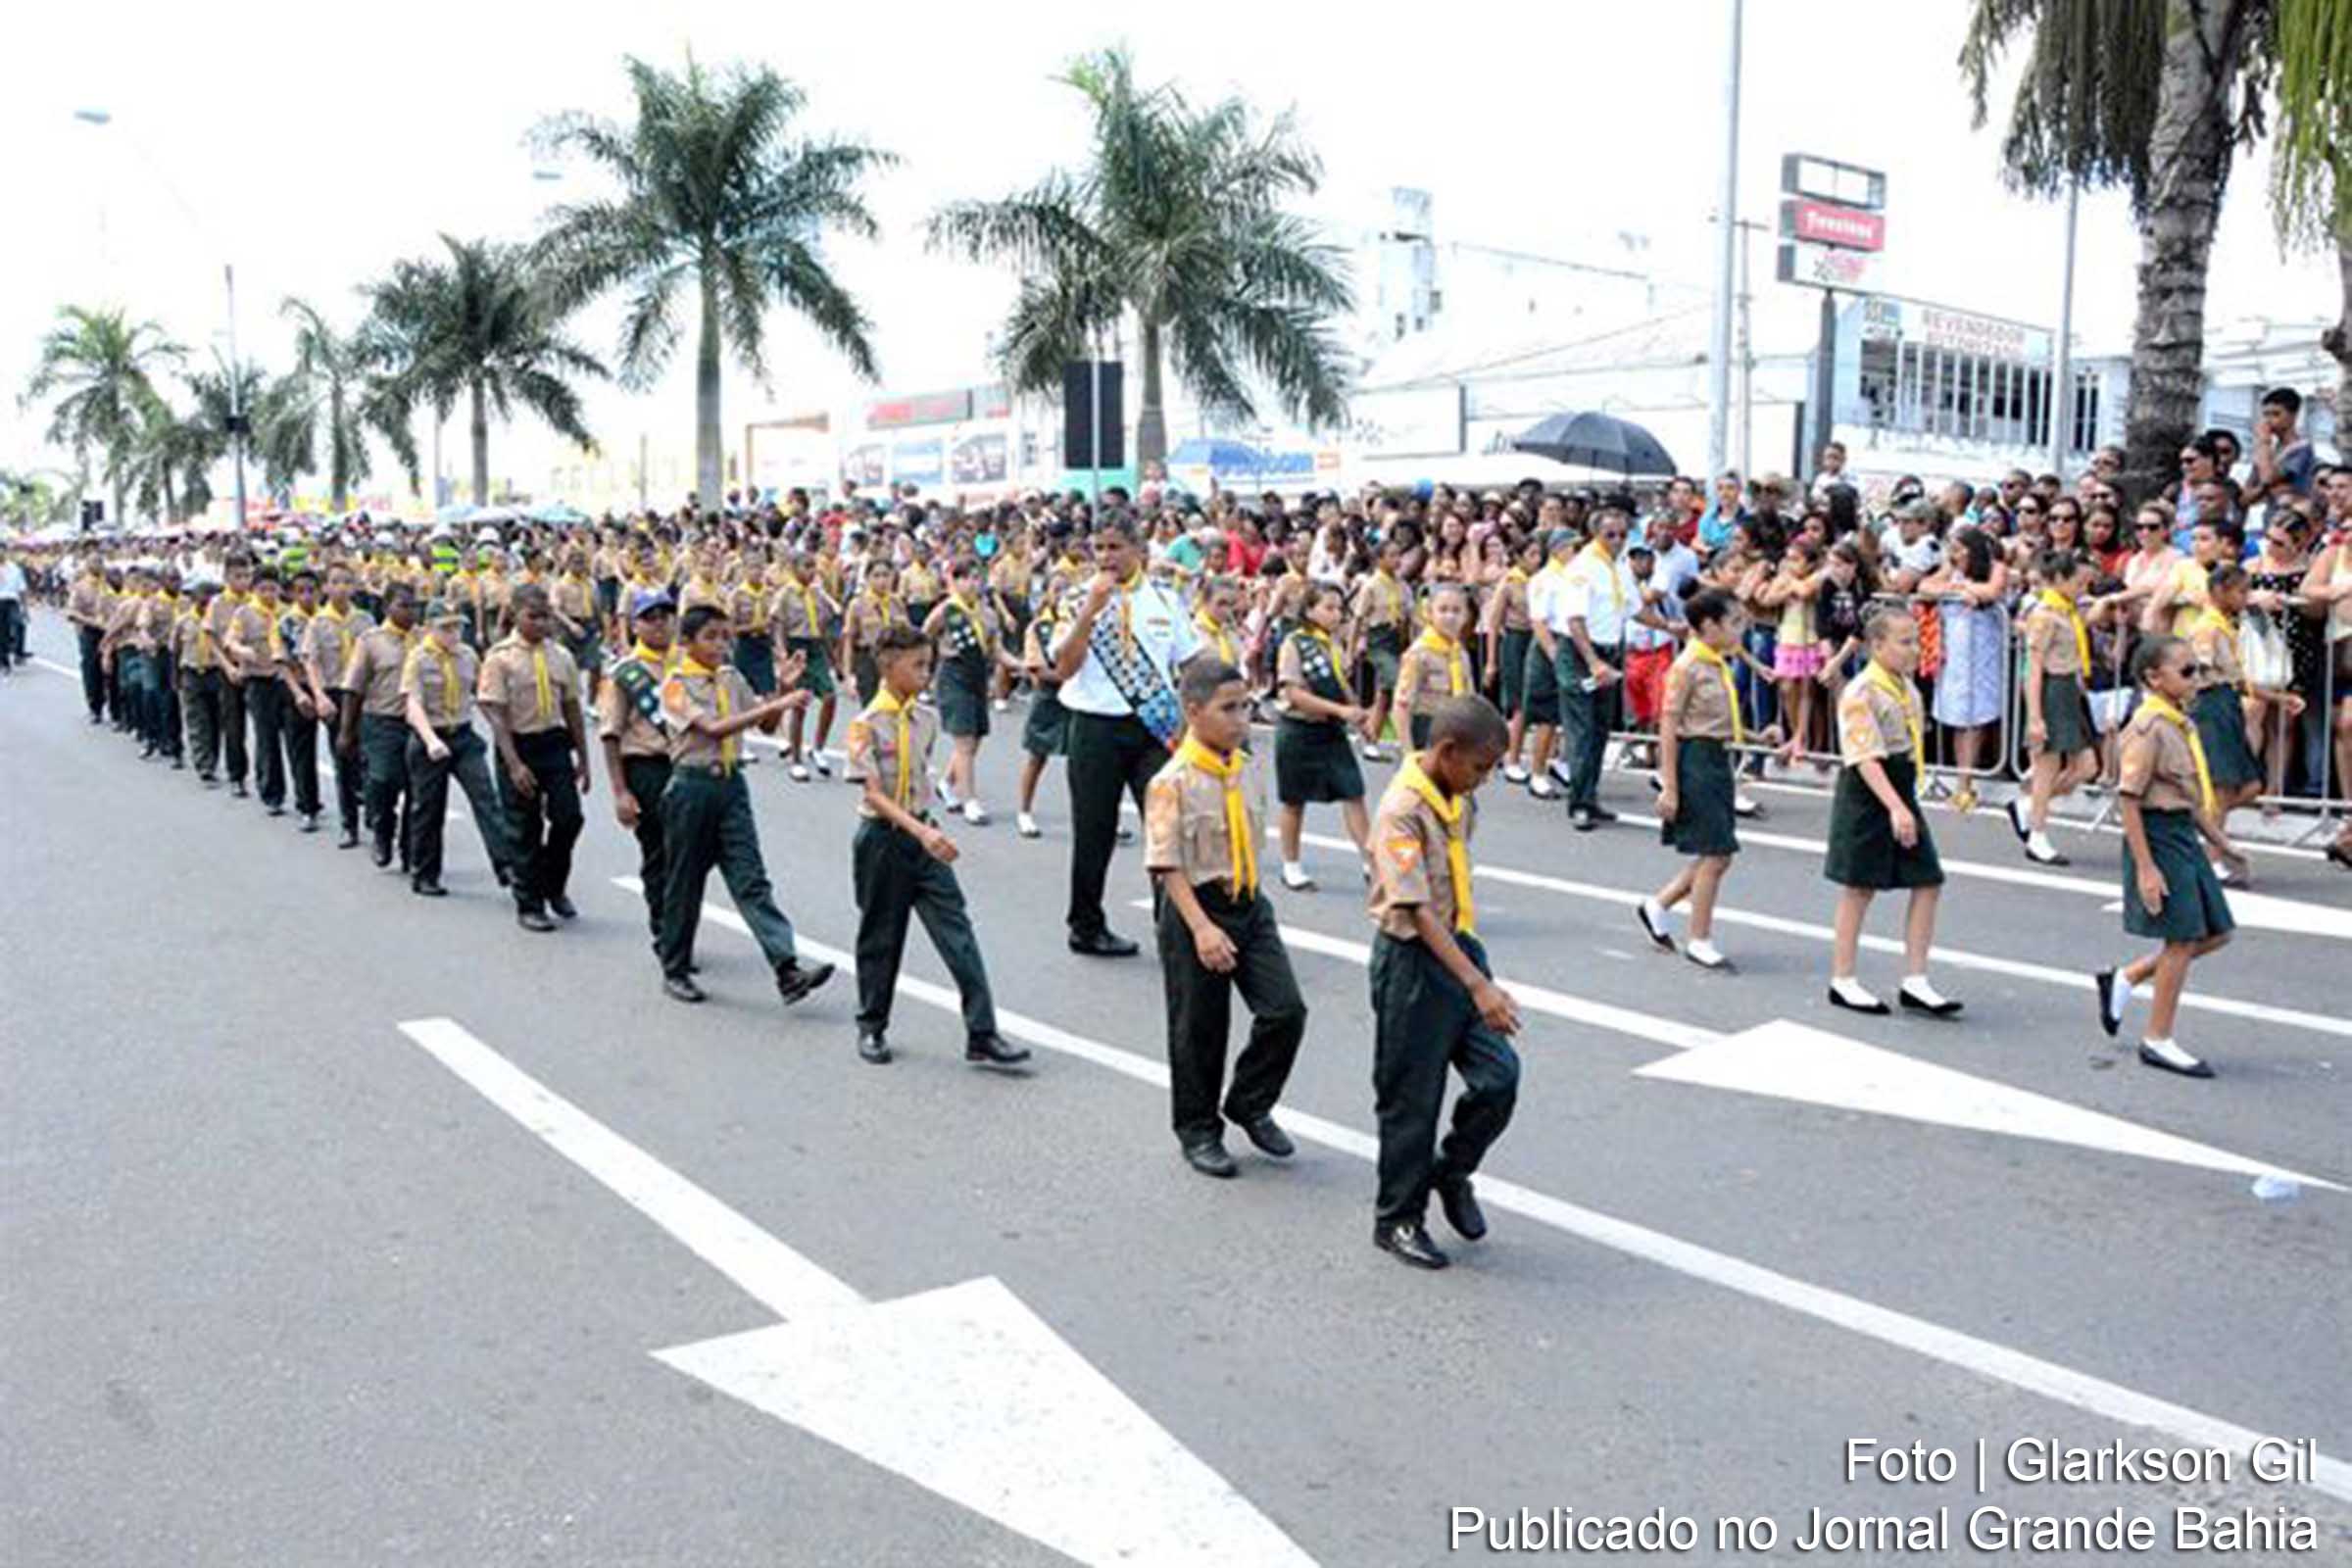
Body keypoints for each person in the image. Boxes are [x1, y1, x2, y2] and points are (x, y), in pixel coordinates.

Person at [1365, 695, 1520, 1270]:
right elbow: (1418, 909)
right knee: (1412, 1099)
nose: (1484, 780)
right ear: (1447, 750)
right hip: (1413, 961)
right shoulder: (1402, 810)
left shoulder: (1454, 798)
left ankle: (1451, 1172)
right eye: (1480, 767)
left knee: (1499, 1077)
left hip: (1458, 946)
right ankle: (1397, 1218)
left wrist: (1474, 970)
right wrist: (1479, 985)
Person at [1147, 658, 1305, 1178]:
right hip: (1198, 907)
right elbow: (1166, 864)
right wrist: (1201, 928)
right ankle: (1198, 1130)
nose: (1241, 719)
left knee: (1285, 1010)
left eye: (1245, 707)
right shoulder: (1173, 780)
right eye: (1229, 708)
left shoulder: (1245, 765)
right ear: (1193, 712)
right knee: (1199, 1029)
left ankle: (1249, 1101)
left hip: (1248, 903)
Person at [844, 623, 1027, 1068]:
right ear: (888, 668)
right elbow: (872, 794)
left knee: (958, 933)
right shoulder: (865, 725)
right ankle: (872, 1026)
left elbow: (920, 778)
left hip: (922, 839)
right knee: (882, 938)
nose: (927, 673)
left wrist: (929, 828)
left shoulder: (924, 720)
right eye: (918, 665)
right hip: (884, 840)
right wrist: (921, 831)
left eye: (930, 664)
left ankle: (982, 1033)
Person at [656, 604, 835, 1008]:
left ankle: (787, 968)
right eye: (710, 637)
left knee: (751, 878)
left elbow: (765, 727)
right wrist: (772, 706)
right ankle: (675, 967)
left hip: (731, 785)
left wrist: (783, 691)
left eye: (724, 636)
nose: (721, 644)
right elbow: (713, 728)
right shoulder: (676, 684)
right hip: (692, 786)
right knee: (685, 881)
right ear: (687, 642)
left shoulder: (730, 678)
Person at [1050, 519, 1200, 956]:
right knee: (1094, 831)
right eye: (1098, 547)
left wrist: (1193, 724)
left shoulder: (1165, 601)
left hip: (1151, 729)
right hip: (1094, 726)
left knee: (1165, 827)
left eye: (1115, 546)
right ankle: (1085, 924)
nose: (1106, 556)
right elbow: (1064, 667)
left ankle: (1171, 923)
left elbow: (1189, 664)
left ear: (1138, 549)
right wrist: (1088, 613)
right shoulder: (1078, 598)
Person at [2097, 636, 2237, 1078]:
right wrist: (2145, 868)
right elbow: (2130, 800)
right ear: (2153, 679)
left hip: (2182, 834)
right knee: (2180, 939)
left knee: (2216, 932)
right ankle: (2157, 1037)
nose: (2196, 678)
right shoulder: (2148, 728)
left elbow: (2189, 797)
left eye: (2197, 669)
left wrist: (2221, 841)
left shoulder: (2178, 722)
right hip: (2157, 836)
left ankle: (2128, 977)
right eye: (2187, 671)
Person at [1824, 610, 1962, 1017]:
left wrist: (1905, 801)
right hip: (1869, 795)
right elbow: (1865, 758)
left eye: (1915, 640)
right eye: (1904, 641)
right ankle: (1843, 978)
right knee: (1859, 886)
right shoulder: (1861, 692)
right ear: (1876, 645)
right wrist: (1896, 807)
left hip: (1899, 788)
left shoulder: (1906, 687)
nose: (1913, 649)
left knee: (1927, 878)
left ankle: (1915, 979)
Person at [1640, 589, 1753, 970]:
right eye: (1734, 622)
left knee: (1714, 852)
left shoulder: (1716, 662)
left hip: (1717, 758)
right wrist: (1669, 784)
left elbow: (1719, 718)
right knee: (1717, 853)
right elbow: (1670, 726)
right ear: (1708, 626)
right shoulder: (1687, 667)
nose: (1741, 629)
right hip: (1696, 760)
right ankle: (1699, 937)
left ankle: (1660, 903)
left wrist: (1757, 737)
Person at [478, 583, 591, 933]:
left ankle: (554, 886)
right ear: (514, 614)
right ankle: (529, 903)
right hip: (518, 745)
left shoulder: (561, 656)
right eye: (533, 616)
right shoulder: (500, 658)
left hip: (554, 745)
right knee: (523, 827)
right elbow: (496, 715)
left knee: (568, 818)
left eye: (546, 617)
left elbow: (572, 707)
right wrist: (513, 764)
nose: (541, 624)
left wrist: (583, 758)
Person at [400, 599, 519, 900]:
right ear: (429, 628)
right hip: (432, 738)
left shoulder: (467, 656)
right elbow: (412, 705)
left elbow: (482, 694)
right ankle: (425, 873)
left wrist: (500, 726)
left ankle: (507, 866)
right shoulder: (418, 658)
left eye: (458, 627)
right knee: (428, 809)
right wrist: (431, 741)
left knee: (486, 799)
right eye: (446, 628)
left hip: (463, 737)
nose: (454, 634)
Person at [1272, 582, 1372, 891]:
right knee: (1294, 800)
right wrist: (1340, 711)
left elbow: (1341, 685)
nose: (1336, 614)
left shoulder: (1333, 643)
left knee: (1353, 792)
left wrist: (1355, 712)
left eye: (1339, 608)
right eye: (1328, 607)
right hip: (1299, 729)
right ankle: (1291, 864)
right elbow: (1294, 693)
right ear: (1309, 610)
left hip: (1330, 730)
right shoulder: (1295, 643)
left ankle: (1371, 860)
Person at [599, 588, 681, 955]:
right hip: (648, 767)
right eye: (651, 617)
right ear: (634, 625)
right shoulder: (624, 674)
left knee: (688, 857)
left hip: (686, 766)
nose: (660, 623)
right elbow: (611, 735)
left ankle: (680, 930)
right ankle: (666, 934)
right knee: (659, 855)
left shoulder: (688, 664)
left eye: (665, 615)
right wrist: (620, 792)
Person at [2010, 549, 2102, 866]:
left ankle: (2029, 806)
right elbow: (2032, 668)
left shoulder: (2069, 612)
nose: (2082, 589)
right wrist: (2035, 716)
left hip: (2069, 690)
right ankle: (2037, 834)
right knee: (2047, 765)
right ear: (2060, 580)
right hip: (2050, 689)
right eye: (2078, 583)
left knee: (2087, 766)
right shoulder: (2044, 614)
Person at [1549, 507, 1635, 830]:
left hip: (1609, 651)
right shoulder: (1582, 567)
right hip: (1581, 653)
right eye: (1609, 534)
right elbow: (1574, 620)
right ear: (1594, 534)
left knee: (1600, 729)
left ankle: (1591, 794)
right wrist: (1593, 662)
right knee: (1581, 730)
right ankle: (1579, 804)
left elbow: (1633, 607)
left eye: (1622, 535)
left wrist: (1671, 626)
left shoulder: (1619, 566)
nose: (1617, 541)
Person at [923, 556, 1019, 824]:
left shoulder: (987, 613)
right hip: (953, 674)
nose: (973, 583)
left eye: (978, 578)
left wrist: (1021, 665)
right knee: (964, 741)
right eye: (967, 578)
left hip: (978, 675)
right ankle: (970, 801)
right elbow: (925, 634)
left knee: (975, 739)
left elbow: (997, 650)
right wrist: (923, 671)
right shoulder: (947, 610)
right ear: (954, 581)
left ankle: (946, 783)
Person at [338, 583, 420, 870]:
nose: (411, 611)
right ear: (387, 608)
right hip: (382, 721)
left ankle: (411, 848)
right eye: (403, 605)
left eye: (413, 605)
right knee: (383, 781)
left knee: (418, 790)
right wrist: (347, 730)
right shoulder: (370, 641)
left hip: (418, 724)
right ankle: (382, 830)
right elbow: (354, 687)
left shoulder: (424, 639)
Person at [304, 564, 375, 849]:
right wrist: (319, 696)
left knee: (370, 757)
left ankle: (374, 811)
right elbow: (311, 661)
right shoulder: (318, 623)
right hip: (335, 694)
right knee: (343, 758)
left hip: (365, 695)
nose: (342, 588)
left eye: (347, 582)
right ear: (326, 588)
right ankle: (350, 824)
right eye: (335, 582)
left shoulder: (365, 620)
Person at [226, 568, 294, 813]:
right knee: (267, 738)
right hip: (258, 680)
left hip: (285, 680)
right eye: (263, 589)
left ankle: (304, 797)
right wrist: (241, 651)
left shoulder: (287, 613)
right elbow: (231, 641)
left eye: (273, 589)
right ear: (254, 590)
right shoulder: (244, 614)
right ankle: (272, 792)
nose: (268, 594)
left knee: (293, 739)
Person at [775, 550, 841, 783]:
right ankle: (796, 760)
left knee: (830, 697)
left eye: (814, 566)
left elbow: (830, 619)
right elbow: (778, 625)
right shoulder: (785, 594)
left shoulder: (817, 594)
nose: (812, 571)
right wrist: (783, 653)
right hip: (797, 647)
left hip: (816, 648)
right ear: (794, 569)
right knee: (799, 706)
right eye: (806, 566)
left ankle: (818, 748)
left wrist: (835, 660)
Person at [274, 569, 328, 832]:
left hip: (330, 688)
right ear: (292, 594)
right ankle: (308, 805)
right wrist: (298, 693)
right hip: (300, 688)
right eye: (301, 591)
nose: (307, 595)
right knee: (302, 750)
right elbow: (282, 662)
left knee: (346, 749)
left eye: (312, 590)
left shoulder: (329, 619)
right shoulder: (286, 622)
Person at [1347, 539, 1410, 760]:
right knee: (1397, 682)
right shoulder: (1371, 585)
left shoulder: (1402, 585)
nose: (1397, 560)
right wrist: (1351, 649)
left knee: (1384, 694)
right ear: (1379, 559)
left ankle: (1371, 738)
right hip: (1378, 639)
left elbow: (1409, 614)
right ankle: (1406, 741)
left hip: (1397, 639)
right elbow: (1358, 618)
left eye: (1398, 554)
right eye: (1391, 555)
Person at [1393, 583, 1474, 750]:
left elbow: (1469, 698)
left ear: (1466, 616)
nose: (1450, 617)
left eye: (1456, 611)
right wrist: (1408, 753)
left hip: (1454, 730)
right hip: (1426, 729)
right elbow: (1402, 706)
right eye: (1443, 610)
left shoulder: (1460, 655)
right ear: (1429, 614)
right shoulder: (1420, 653)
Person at [173, 578, 227, 784]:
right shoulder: (184, 621)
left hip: (216, 673)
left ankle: (212, 758)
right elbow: (175, 650)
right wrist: (175, 677)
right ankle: (204, 764)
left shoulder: (221, 623)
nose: (205, 604)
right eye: (201, 599)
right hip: (192, 673)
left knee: (216, 721)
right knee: (197, 721)